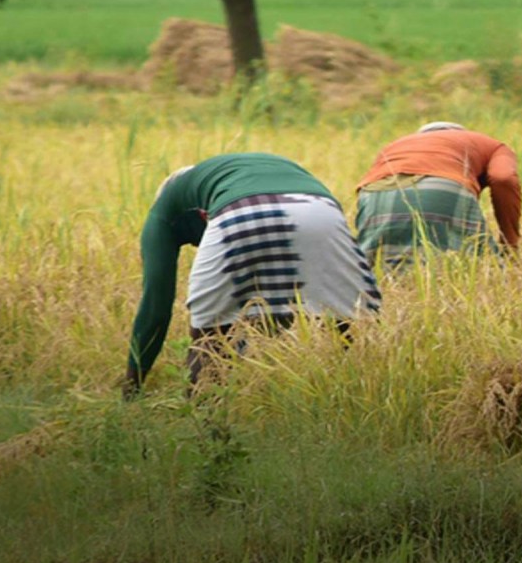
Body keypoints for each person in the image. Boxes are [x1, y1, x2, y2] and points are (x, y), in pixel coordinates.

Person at [124, 153, 381, 395]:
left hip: (240, 212)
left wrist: (133, 383)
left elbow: (155, 304)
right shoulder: (238, 173)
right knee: (349, 320)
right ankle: (358, 398)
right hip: (322, 212)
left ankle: (207, 424)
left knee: (211, 340)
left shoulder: (165, 207)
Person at [354, 121, 521, 269]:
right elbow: (503, 178)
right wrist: (510, 243)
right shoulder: (491, 144)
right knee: (479, 267)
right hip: (441, 185)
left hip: (373, 194)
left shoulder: (396, 145)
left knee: (379, 267)